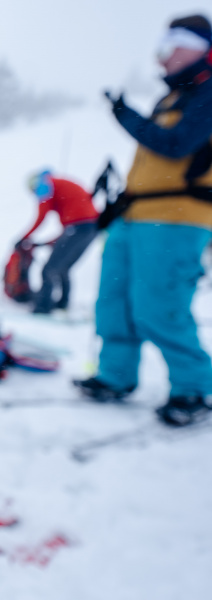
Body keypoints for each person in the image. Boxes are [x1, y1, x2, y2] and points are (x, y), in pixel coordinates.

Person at [75, 14, 212, 426]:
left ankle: (195, 387)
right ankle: (115, 375)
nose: (162, 57)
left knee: (160, 305)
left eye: (172, 47)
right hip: (136, 214)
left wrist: (123, 113)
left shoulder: (207, 94)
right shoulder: (170, 99)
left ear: (198, 48)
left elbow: (175, 145)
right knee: (113, 302)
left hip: (178, 218)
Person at [18, 170, 99, 314]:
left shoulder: (44, 186)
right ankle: (63, 304)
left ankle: (43, 307)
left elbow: (41, 216)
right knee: (63, 267)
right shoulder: (56, 183)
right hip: (91, 228)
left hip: (78, 228)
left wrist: (24, 237)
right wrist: (49, 241)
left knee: (49, 269)